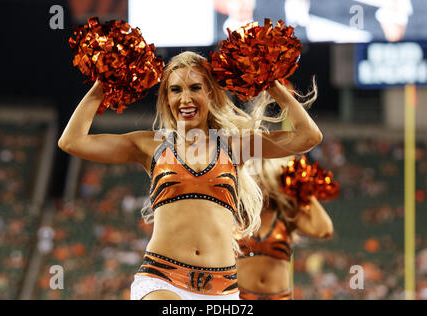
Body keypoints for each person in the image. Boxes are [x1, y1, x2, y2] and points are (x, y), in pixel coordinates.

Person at [58, 51, 323, 300]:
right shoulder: (150, 145)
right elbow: (72, 142)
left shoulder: (236, 145)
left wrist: (271, 83)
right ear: (166, 97)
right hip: (162, 279)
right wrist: (103, 84)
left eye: (195, 88)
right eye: (176, 90)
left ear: (210, 93)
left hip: (223, 289)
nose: (185, 98)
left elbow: (308, 137)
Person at [236, 158, 333, 300]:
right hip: (240, 297)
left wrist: (305, 194)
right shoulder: (237, 215)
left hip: (279, 297)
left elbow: (324, 230)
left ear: (275, 184)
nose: (261, 188)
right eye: (256, 182)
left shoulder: (287, 216)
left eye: (264, 182)